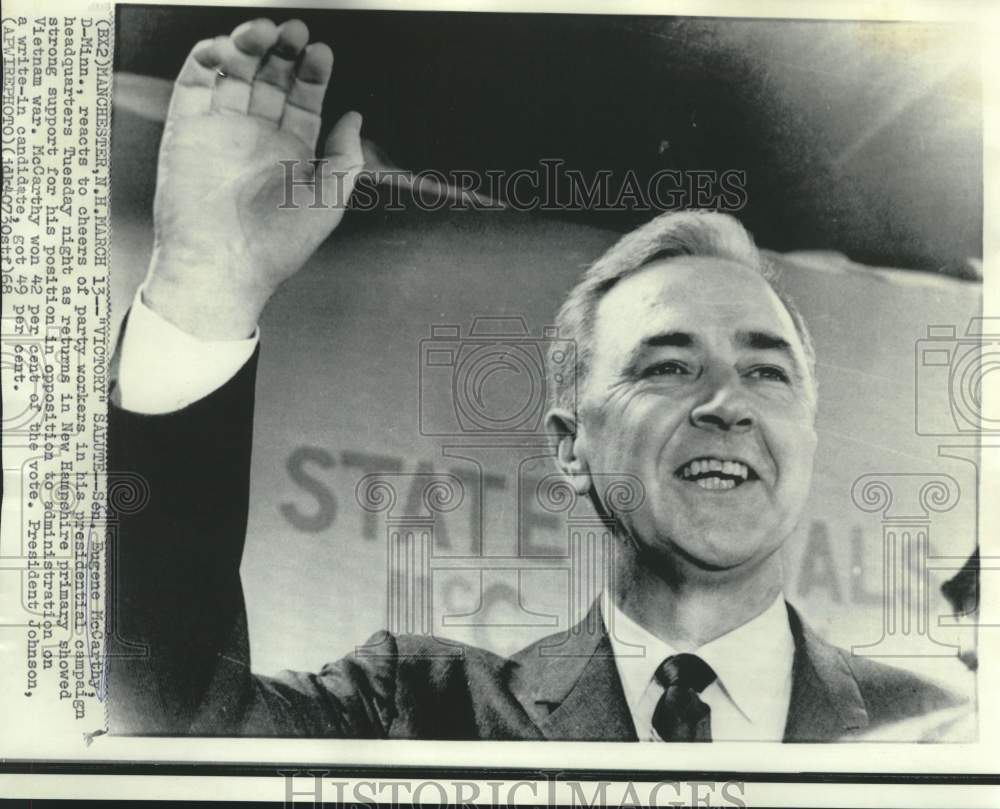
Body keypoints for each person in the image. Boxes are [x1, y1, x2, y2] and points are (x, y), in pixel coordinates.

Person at [108, 17, 963, 740]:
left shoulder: (941, 732)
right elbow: (169, 721)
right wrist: (204, 284)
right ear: (569, 445)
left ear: (807, 437)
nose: (725, 404)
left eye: (767, 371)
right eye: (667, 364)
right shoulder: (419, 705)